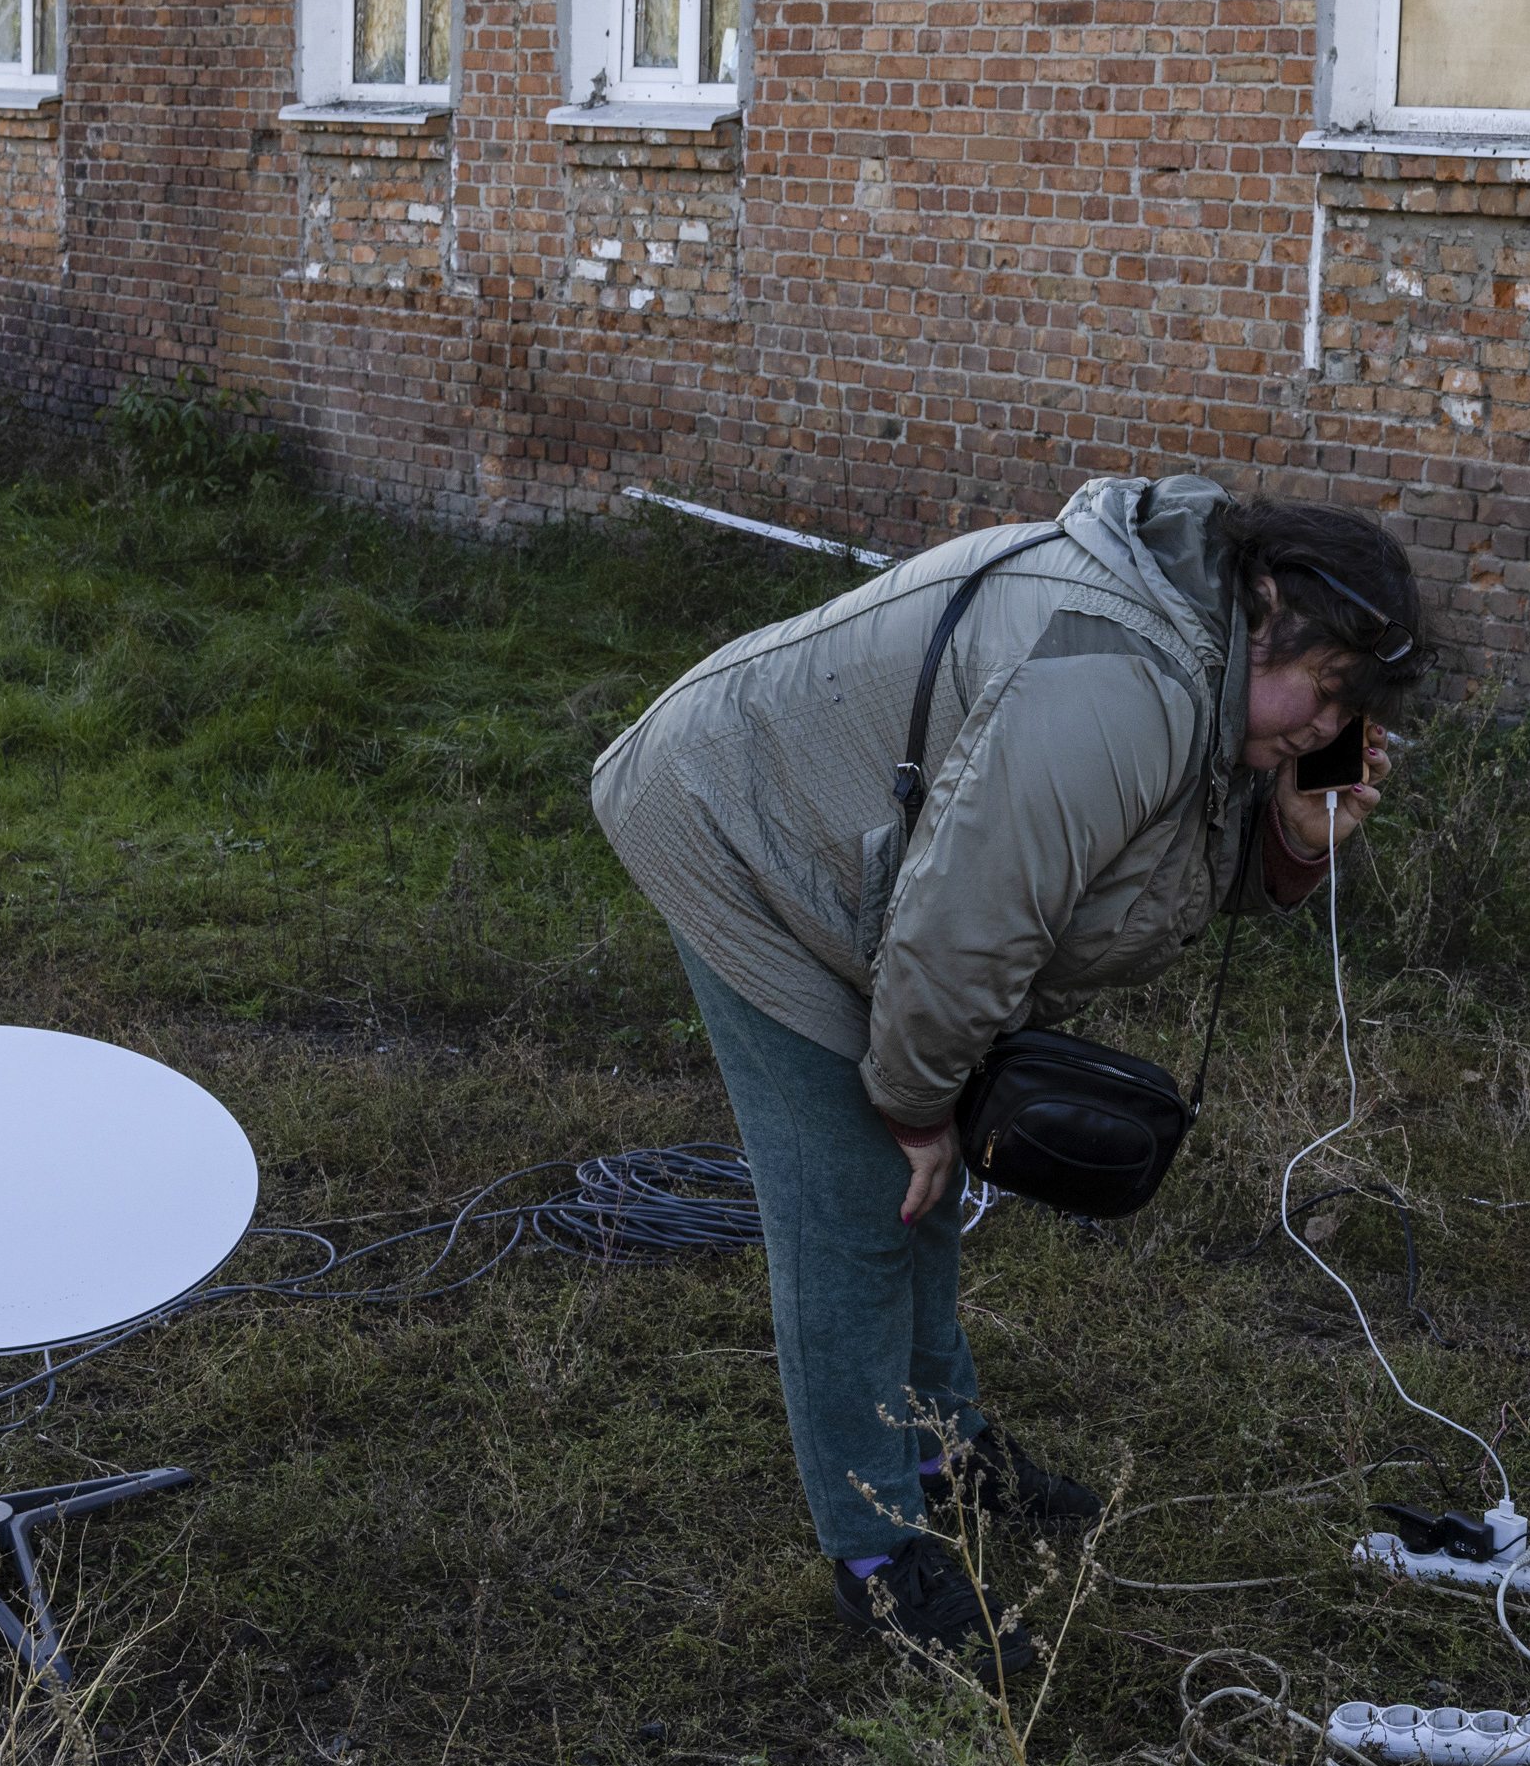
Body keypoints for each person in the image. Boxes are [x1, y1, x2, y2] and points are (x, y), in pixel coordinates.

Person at [594, 475, 1425, 1674]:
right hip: (745, 831)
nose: (1322, 726)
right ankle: (878, 1558)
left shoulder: (1205, 669)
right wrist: (917, 1103)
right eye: (1326, 691)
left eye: (1354, 708)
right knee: (856, 1204)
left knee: (914, 1197)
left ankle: (944, 1449)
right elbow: (962, 933)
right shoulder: (1116, 684)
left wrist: (1295, 834)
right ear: (1266, 600)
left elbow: (1149, 869)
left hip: (879, 883)